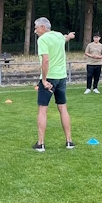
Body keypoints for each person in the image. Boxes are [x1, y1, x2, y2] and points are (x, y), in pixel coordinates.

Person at [33, 17, 76, 152]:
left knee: (42, 110)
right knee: (63, 108)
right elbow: (65, 38)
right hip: (62, 77)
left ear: (43, 28)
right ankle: (69, 142)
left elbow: (45, 60)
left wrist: (44, 80)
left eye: (36, 28)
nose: (35, 31)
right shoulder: (58, 36)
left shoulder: (43, 39)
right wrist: (69, 36)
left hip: (50, 78)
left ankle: (41, 144)